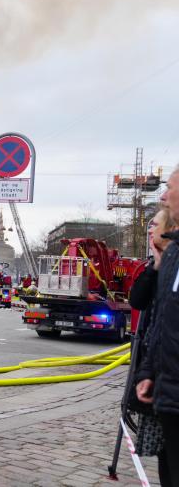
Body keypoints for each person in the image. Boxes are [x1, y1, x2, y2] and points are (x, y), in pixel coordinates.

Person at [136, 165, 179, 486]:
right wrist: (148, 372)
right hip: (167, 389)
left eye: (170, 187)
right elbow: (156, 315)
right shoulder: (171, 257)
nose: (163, 195)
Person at [129, 207, 177, 466]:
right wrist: (153, 268)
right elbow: (137, 300)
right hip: (155, 367)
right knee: (164, 454)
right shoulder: (157, 264)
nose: (149, 229)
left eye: (154, 225)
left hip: (168, 371)